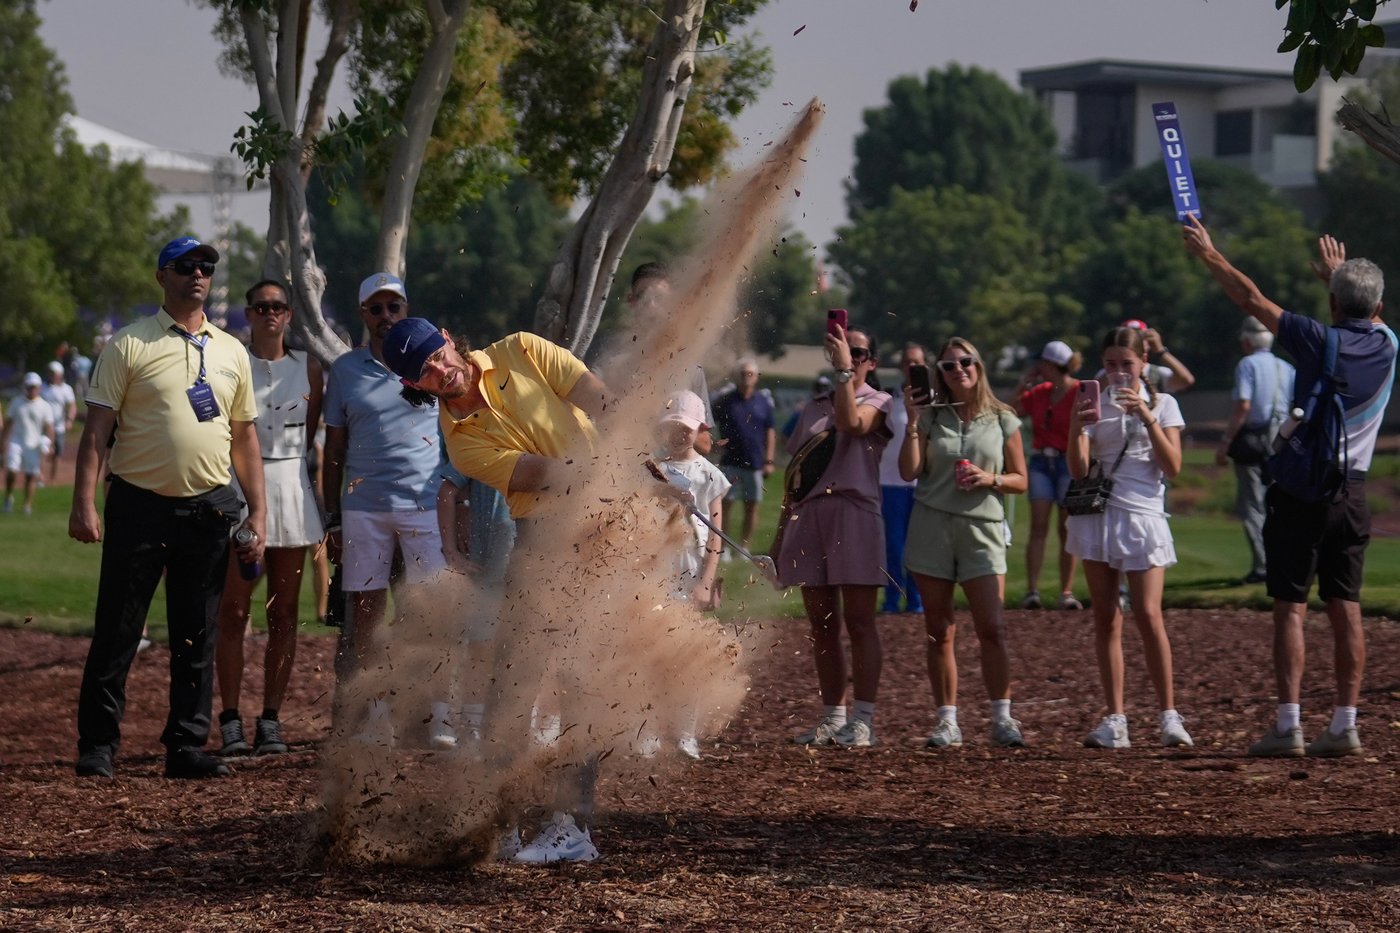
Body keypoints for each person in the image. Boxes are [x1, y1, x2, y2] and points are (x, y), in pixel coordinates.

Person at [383, 317, 613, 864]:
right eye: (424, 371)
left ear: (446, 336)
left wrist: (631, 445)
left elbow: (598, 397)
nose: (439, 369)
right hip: (543, 538)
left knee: (580, 674)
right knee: (516, 681)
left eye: (436, 354)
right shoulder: (462, 445)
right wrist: (610, 467)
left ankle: (572, 824)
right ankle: (503, 817)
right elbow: (546, 474)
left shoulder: (522, 349)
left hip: (602, 529)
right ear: (415, 385)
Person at [1185, 219, 1398, 758]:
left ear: (1331, 302)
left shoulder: (1316, 337)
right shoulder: (1389, 345)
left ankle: (1288, 726)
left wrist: (1211, 254)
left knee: (1291, 607)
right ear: (1378, 306)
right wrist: (1340, 278)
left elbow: (1251, 298)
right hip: (1351, 492)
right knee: (1346, 606)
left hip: (1302, 489)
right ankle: (1345, 724)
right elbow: (1367, 316)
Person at [70, 236, 266, 780]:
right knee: (118, 628)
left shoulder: (231, 351)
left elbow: (245, 438)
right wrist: (84, 503)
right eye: (185, 266)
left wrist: (260, 514)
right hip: (139, 506)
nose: (197, 274)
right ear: (162, 276)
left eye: (205, 267)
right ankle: (99, 745)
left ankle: (184, 746)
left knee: (196, 633)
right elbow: (96, 434)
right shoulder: (128, 344)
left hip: (208, 512)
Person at [321, 273, 450, 746]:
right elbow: (333, 447)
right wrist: (331, 515)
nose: (385, 317)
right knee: (366, 614)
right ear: (363, 315)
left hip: (424, 506)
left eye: (393, 307)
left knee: (431, 612)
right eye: (376, 309)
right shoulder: (346, 370)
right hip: (364, 509)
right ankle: (374, 715)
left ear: (406, 309)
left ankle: (436, 712)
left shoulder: (431, 364)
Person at [1065, 327, 1193, 750]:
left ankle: (1169, 716)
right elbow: (1079, 470)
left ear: (1142, 364)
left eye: (1127, 364)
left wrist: (1146, 415)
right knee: (1106, 617)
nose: (1119, 372)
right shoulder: (1093, 401)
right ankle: (1116, 718)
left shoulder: (1164, 403)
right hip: (1099, 514)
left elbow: (1172, 467)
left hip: (1143, 515)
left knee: (1150, 615)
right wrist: (1077, 427)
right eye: (1111, 364)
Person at [213, 280, 325, 757]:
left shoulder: (309, 368)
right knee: (234, 610)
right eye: (261, 307)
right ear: (248, 314)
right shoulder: (231, 361)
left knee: (283, 613)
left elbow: (313, 429)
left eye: (278, 307)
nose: (270, 314)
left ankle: (271, 720)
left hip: (292, 491)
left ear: (290, 315)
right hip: (242, 491)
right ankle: (231, 719)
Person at [900, 338, 1029, 750]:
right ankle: (946, 722)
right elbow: (909, 471)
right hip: (932, 526)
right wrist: (911, 422)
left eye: (966, 362)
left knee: (993, 628)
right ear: (940, 373)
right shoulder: (930, 417)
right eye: (950, 366)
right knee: (939, 630)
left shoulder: (1003, 418)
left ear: (979, 366)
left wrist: (990, 478)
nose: (959, 371)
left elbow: (1021, 479)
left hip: (983, 529)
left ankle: (1002, 718)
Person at [779, 324, 892, 748]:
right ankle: (832, 717)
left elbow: (851, 423)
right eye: (845, 351)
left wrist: (845, 372)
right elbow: (796, 479)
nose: (851, 356)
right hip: (811, 515)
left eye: (859, 353)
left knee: (860, 622)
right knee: (821, 624)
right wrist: (778, 541)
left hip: (855, 512)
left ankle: (863, 720)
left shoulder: (880, 401)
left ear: (871, 362)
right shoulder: (813, 407)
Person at [654, 389, 731, 759]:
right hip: (653, 569)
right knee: (648, 647)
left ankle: (686, 732)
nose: (680, 434)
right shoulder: (650, 467)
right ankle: (647, 730)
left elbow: (716, 533)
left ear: (699, 427)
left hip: (690, 569)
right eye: (673, 426)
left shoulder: (708, 474)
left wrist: (706, 581)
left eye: (686, 427)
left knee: (687, 653)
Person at [1216, 317, 1296, 585]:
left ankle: (1263, 566)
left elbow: (1244, 406)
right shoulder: (1285, 367)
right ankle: (1286, 561)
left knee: (1252, 504)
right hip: (1283, 436)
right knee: (1281, 503)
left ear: (1248, 340)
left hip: (1253, 439)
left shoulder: (1247, 364)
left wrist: (1226, 441)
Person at [1013, 340, 1083, 611]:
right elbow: (1008, 412)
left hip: (1068, 462)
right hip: (1042, 461)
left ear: (1052, 364)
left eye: (1041, 362)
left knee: (1067, 529)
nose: (1038, 367)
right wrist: (1023, 385)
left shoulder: (1079, 391)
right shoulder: (1039, 392)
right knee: (1038, 527)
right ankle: (1032, 591)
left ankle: (1066, 592)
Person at [711, 357, 776, 558]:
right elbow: (711, 424)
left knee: (752, 506)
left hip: (755, 463)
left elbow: (770, 432)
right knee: (725, 506)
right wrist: (715, 447)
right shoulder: (725, 400)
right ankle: (723, 547)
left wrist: (769, 460)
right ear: (736, 376)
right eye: (742, 373)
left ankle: (743, 547)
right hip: (731, 462)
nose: (746, 377)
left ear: (756, 377)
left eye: (750, 374)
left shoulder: (763, 402)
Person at [878, 345, 925, 615]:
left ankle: (917, 601)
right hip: (890, 482)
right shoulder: (890, 398)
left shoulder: (932, 400)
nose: (912, 368)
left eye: (917, 363)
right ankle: (892, 599)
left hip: (920, 484)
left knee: (918, 547)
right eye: (908, 363)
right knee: (894, 547)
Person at [4, 373, 56, 515]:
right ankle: (8, 497)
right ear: (25, 387)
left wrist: (50, 443)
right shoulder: (16, 402)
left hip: (33, 445)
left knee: (30, 476)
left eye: (34, 387)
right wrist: (3, 443)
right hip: (17, 441)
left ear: (38, 388)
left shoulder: (44, 406)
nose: (32, 389)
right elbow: (8, 424)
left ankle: (27, 504)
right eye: (29, 386)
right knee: (11, 471)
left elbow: (49, 427)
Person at [40, 361, 77, 484]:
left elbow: (72, 406)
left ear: (60, 374)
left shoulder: (66, 389)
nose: (52, 375)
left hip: (59, 426)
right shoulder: (42, 387)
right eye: (50, 373)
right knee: (43, 450)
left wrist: (69, 420)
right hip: (44, 426)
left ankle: (53, 478)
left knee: (57, 453)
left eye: (54, 373)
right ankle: (41, 477)